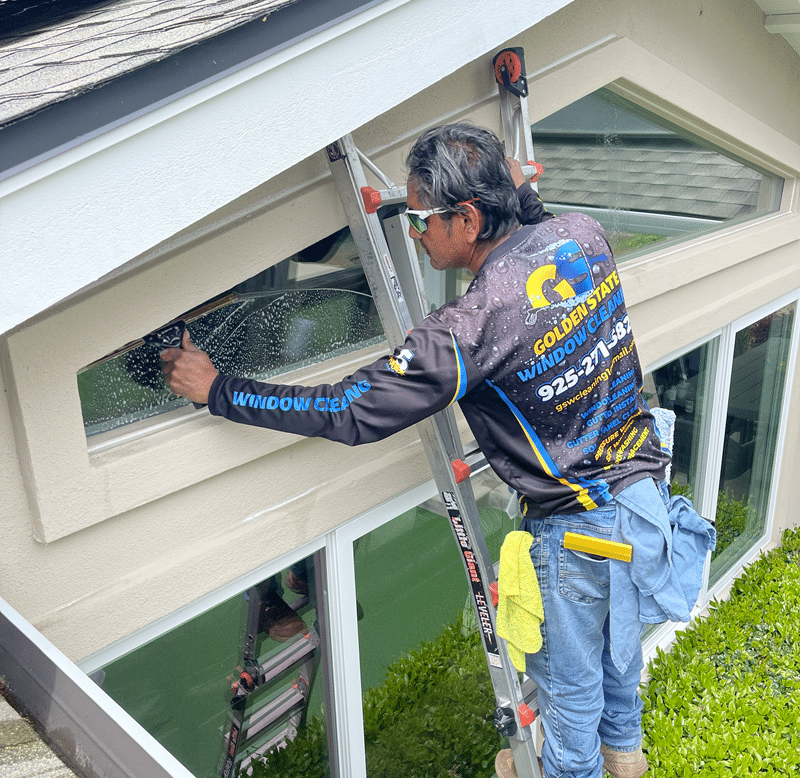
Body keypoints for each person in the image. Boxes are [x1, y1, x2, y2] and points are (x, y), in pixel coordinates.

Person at [162, 122, 713, 778]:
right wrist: (511, 188)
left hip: (579, 536)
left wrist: (218, 389)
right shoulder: (584, 235)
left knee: (570, 704)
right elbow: (533, 221)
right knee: (617, 663)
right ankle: (627, 762)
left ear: (469, 218)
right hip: (642, 499)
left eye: (421, 218)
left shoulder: (470, 328)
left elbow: (348, 410)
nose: (415, 232)